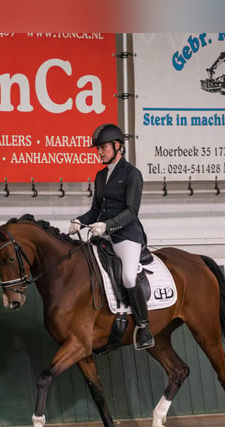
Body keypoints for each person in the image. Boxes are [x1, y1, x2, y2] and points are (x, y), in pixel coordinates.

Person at [68, 123, 154, 350]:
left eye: (103, 147)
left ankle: (144, 327)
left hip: (127, 236)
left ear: (118, 147)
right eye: (98, 148)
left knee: (127, 277)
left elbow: (131, 211)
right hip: (104, 237)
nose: (99, 152)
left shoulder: (132, 174)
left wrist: (106, 225)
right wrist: (80, 221)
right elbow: (96, 209)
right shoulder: (100, 176)